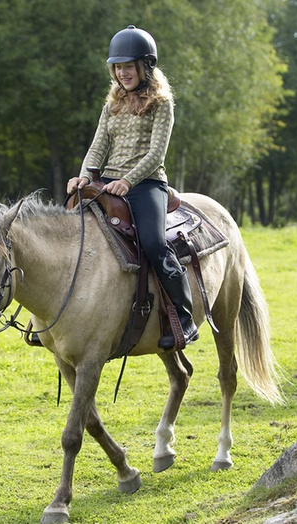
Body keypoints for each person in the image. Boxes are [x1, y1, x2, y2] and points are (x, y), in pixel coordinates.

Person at [66, 25, 198, 349]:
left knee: (154, 244)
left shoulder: (162, 103)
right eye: (118, 67)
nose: (122, 73)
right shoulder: (111, 104)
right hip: (107, 181)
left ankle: (184, 317)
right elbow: (98, 147)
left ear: (145, 66)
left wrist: (128, 180)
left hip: (147, 183)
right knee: (70, 226)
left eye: (128, 66)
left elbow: (156, 153)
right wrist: (85, 176)